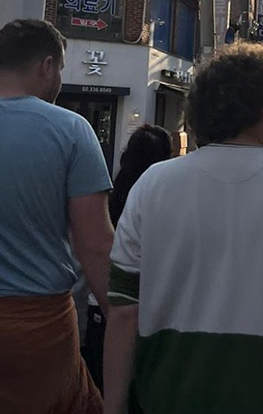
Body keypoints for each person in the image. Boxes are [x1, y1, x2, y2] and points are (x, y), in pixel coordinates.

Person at [104, 43, 263, 414]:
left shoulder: (154, 183)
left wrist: (114, 405)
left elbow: (124, 307)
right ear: (260, 107)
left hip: (171, 387)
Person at [0, 19, 114, 414]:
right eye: (62, 69)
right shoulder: (71, 130)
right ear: (47, 66)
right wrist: (123, 320)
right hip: (38, 328)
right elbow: (95, 246)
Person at [83, 125, 173, 390]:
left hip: (102, 305)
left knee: (104, 386)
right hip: (152, 309)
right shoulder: (163, 197)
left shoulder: (111, 193)